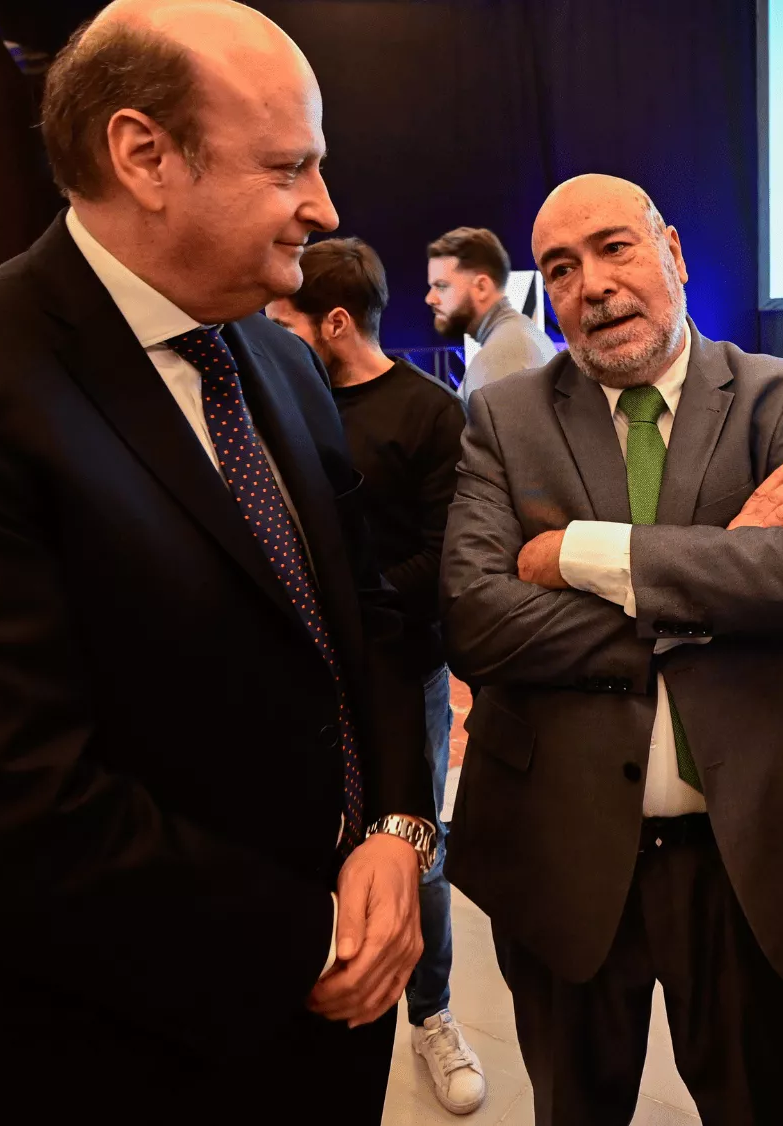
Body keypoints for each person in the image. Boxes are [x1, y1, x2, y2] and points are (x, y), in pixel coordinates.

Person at [0, 3, 434, 1121]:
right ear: (144, 155)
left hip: (326, 1014)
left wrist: (393, 832)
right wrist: (313, 937)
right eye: (290, 166)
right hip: (93, 1047)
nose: (324, 209)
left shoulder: (278, 370)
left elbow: (363, 628)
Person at [440, 174, 783, 1125]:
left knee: (757, 1102)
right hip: (561, 848)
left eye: (614, 248)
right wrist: (724, 574)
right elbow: (478, 617)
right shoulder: (504, 418)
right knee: (573, 1105)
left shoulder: (779, 397)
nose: (591, 285)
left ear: (672, 252)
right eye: (561, 267)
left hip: (746, 848)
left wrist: (581, 555)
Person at [264, 237, 486, 1115]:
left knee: (413, 852)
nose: (265, 335)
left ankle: (430, 1014)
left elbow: (448, 557)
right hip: (303, 678)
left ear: (337, 322)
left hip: (404, 673)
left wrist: (352, 607)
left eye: (282, 321)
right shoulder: (277, 405)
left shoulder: (432, 414)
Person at [426, 225, 555, 399]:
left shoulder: (503, 356)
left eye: (441, 286)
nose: (430, 298)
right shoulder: (515, 338)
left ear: (481, 287)